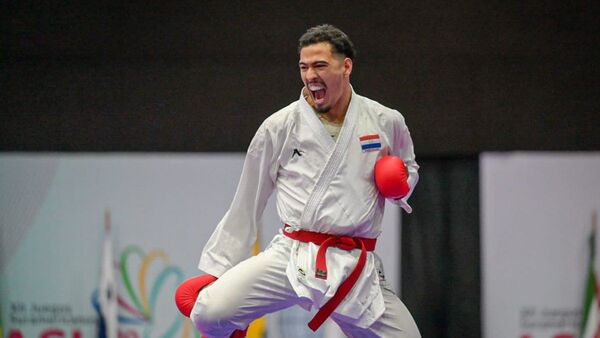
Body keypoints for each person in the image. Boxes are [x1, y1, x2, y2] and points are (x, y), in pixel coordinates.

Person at [188, 24, 421, 338]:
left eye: (320, 65)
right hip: (292, 254)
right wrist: (219, 268)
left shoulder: (384, 120)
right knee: (208, 312)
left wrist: (401, 185)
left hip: (351, 265)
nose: (310, 75)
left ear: (346, 66)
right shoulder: (279, 126)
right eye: (304, 67)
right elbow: (248, 200)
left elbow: (409, 166)